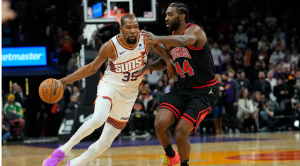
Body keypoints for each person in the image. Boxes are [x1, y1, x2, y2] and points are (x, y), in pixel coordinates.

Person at [43, 14, 175, 166]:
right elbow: (92, 68)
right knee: (98, 118)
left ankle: (73, 164)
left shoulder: (145, 39)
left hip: (129, 95)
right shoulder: (110, 46)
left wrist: (169, 62)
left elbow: (161, 47)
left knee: (105, 143)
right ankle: (61, 152)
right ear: (121, 29)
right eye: (129, 28)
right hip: (110, 85)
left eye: (136, 27)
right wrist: (64, 81)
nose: (133, 31)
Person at [139, 2, 219, 166]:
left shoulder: (195, 31)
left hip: (204, 91)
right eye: (166, 15)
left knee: (181, 133)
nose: (166, 18)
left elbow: (184, 40)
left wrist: (156, 38)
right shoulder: (171, 39)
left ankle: (184, 164)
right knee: (160, 123)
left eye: (170, 14)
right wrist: (149, 68)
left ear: (182, 16)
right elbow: (166, 61)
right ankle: (171, 156)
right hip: (182, 88)